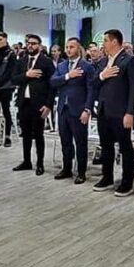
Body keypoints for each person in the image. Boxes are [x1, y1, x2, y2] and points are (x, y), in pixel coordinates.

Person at [92, 29, 134, 196]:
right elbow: (93, 83)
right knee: (105, 146)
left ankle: (127, 182)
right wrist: (102, 76)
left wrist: (130, 112)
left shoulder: (130, 60)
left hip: (121, 111)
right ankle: (107, 177)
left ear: (114, 41)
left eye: (105, 40)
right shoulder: (103, 61)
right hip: (103, 110)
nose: (103, 44)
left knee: (125, 147)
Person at [50, 37, 95, 184]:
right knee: (65, 141)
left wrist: (87, 109)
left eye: (72, 47)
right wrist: (68, 76)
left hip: (79, 109)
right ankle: (67, 168)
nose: (68, 50)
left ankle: (81, 172)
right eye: (67, 47)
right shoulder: (61, 66)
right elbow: (53, 81)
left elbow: (91, 90)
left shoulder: (87, 66)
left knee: (80, 142)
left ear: (78, 48)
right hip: (63, 109)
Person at [11, 34, 54, 175]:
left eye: (34, 43)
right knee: (26, 134)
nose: (30, 45)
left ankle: (40, 163)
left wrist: (49, 105)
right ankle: (26, 161)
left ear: (40, 46)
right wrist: (27, 75)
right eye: (28, 43)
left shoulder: (46, 62)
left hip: (39, 104)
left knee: (39, 135)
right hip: (24, 102)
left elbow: (52, 85)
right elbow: (14, 79)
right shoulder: (22, 61)